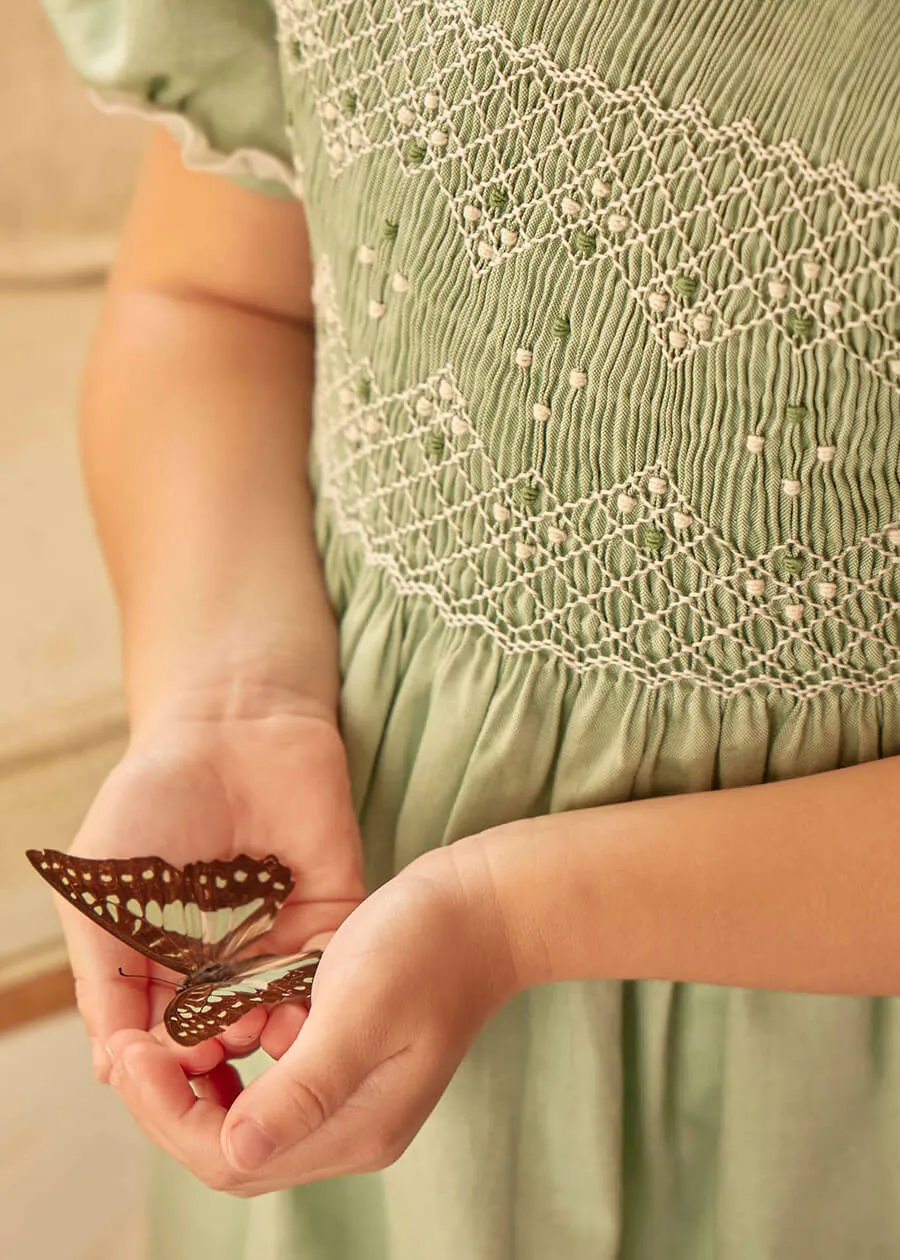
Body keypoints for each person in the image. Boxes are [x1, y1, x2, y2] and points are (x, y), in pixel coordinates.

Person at [36, 0, 900, 1256]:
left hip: (810, 1102)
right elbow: (215, 298)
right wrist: (225, 698)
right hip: (337, 961)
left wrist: (516, 919)